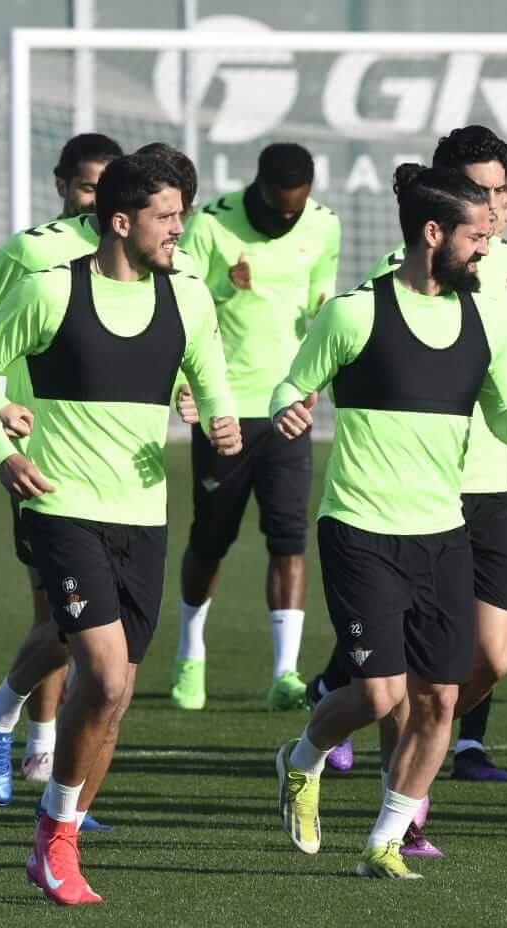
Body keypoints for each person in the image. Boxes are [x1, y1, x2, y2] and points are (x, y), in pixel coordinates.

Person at [0, 152, 240, 905]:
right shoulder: (50, 290)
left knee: (114, 700)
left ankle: (49, 813)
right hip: (61, 503)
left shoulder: (189, 296)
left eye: (183, 214)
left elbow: (210, 375)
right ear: (122, 221)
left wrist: (219, 417)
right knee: (105, 675)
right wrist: (3, 449)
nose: (182, 229)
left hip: (144, 517)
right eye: (169, 216)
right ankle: (52, 842)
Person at [273, 164, 507, 880]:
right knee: (379, 694)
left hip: (443, 533)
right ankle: (301, 758)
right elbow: (290, 382)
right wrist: (289, 406)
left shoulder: (484, 320)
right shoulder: (354, 314)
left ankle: (385, 840)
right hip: (359, 528)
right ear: (433, 235)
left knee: (441, 698)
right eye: (475, 237)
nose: (486, 251)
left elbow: (504, 424)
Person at [0, 132, 121, 789]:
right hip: (41, 453)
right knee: (62, 611)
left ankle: (25, 735)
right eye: (87, 186)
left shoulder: (146, 259)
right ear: (64, 187)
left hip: (116, 461)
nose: (99, 200)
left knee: (100, 624)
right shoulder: (35, 252)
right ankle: (42, 750)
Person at [172, 142, 340, 712]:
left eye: (295, 210)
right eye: (276, 210)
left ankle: (284, 673)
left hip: (287, 405)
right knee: (211, 538)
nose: (285, 220)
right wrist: (224, 285)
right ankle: (190, 652)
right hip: (225, 406)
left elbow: (323, 292)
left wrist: (322, 317)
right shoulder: (212, 225)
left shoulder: (324, 226)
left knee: (290, 538)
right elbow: (180, 304)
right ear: (259, 190)